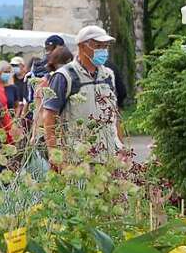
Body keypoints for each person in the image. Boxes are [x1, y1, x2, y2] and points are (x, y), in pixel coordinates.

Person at [41, 26, 124, 162]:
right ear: (82, 46)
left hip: (108, 157)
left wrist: (121, 148)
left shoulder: (108, 75)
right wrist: (55, 155)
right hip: (77, 159)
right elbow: (49, 116)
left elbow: (114, 115)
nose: (102, 50)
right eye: (98, 45)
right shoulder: (65, 76)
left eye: (105, 46)